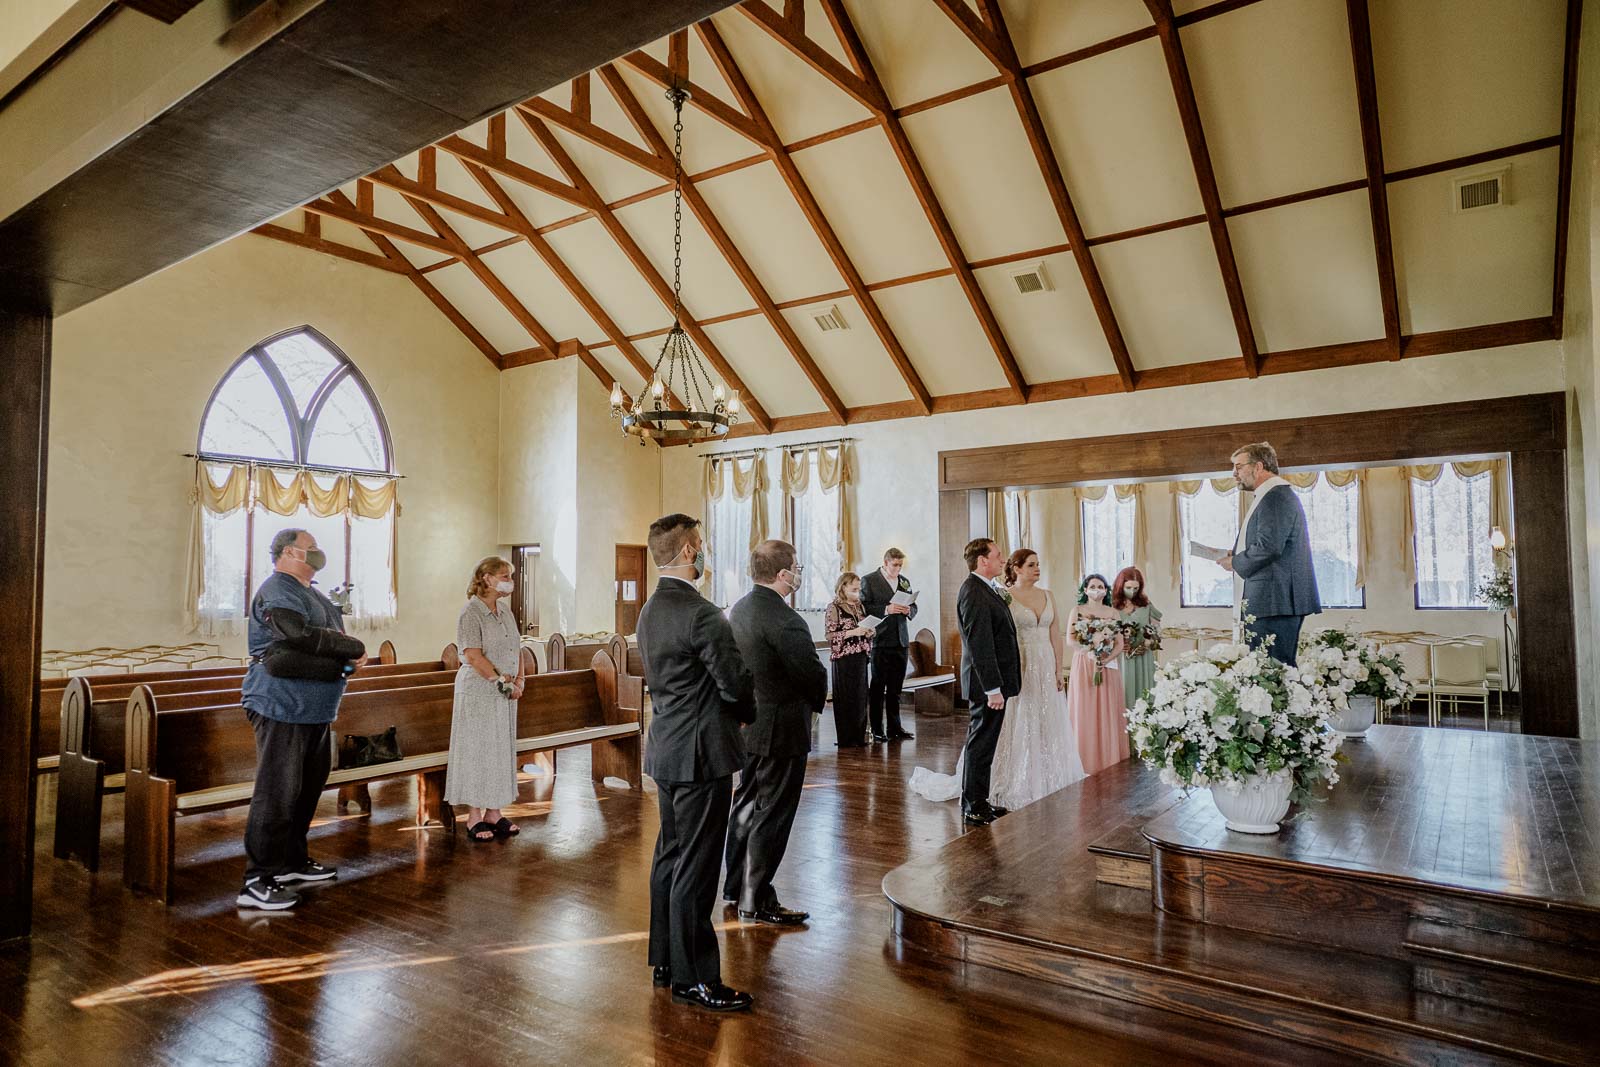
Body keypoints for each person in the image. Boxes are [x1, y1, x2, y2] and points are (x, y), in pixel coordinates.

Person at [637, 514, 756, 1013]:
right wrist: (746, 711)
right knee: (698, 865)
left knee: (670, 854)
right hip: (702, 754)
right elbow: (733, 681)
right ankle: (695, 978)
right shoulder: (702, 614)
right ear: (687, 552)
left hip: (666, 748)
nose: (704, 552)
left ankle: (665, 961)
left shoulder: (649, 611)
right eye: (701, 545)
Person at [237, 528, 366, 911]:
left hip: (316, 710)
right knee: (277, 792)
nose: (318, 554)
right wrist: (350, 650)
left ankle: (291, 861)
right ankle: (257, 879)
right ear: (290, 552)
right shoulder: (278, 589)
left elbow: (328, 639)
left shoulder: (312, 593)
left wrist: (345, 658)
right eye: (312, 548)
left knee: (306, 789)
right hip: (282, 706)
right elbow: (294, 635)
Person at [911, 549, 1084, 810]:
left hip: (1043, 664)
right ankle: (987, 794)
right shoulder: (995, 594)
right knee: (1000, 729)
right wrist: (994, 685)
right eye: (1031, 565)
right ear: (1015, 568)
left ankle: (1041, 779)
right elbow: (983, 640)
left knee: (1041, 719)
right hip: (1012, 666)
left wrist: (1058, 669)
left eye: (1038, 564)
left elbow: (1053, 634)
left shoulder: (1027, 594)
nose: (1037, 569)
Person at [724, 540, 829, 926]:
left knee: (746, 805)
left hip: (749, 724)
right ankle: (757, 897)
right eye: (797, 567)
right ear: (783, 574)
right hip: (782, 726)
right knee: (774, 813)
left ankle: (735, 886)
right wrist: (818, 703)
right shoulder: (785, 618)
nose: (799, 572)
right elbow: (811, 672)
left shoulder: (740, 609)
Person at [445, 556, 526, 843]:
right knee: (478, 750)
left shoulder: (504, 612)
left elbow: (517, 648)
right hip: (479, 690)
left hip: (504, 691)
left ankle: (495, 811)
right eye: (504, 575)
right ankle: (474, 815)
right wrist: (500, 682)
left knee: (499, 750)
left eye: (509, 575)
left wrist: (519, 680)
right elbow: (472, 654)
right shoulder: (471, 612)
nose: (509, 580)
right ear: (487, 578)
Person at [1220, 442, 1321, 665]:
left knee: (1272, 674)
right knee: (1266, 673)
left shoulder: (1275, 496)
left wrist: (1236, 562)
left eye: (1238, 467)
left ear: (1258, 466)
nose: (1234, 474)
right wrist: (1236, 553)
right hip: (1271, 601)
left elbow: (1269, 547)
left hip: (1274, 602)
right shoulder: (1270, 496)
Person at [955, 538, 1021, 827]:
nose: (1002, 559)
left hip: (992, 684)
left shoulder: (986, 589)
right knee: (980, 744)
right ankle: (973, 804)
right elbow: (980, 644)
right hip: (986, 686)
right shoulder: (973, 591)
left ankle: (979, 799)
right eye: (997, 555)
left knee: (986, 744)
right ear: (983, 561)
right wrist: (993, 688)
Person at [1066, 574, 1129, 776]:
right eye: (1092, 586)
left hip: (1107, 664)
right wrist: (1090, 652)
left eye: (1100, 586)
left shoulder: (1113, 613)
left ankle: (1109, 758)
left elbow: (1119, 643)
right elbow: (1071, 639)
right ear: (1085, 590)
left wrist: (1105, 658)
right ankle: (1084, 759)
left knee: (1108, 708)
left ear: (1106, 590)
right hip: (1084, 663)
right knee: (1084, 707)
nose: (1096, 589)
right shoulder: (1077, 611)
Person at [860, 547, 918, 742]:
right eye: (895, 565)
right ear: (885, 563)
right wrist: (887, 608)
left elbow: (914, 605)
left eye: (900, 565)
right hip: (881, 640)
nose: (898, 569)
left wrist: (908, 610)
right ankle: (877, 729)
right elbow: (864, 608)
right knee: (878, 687)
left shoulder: (904, 581)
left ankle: (895, 727)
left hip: (901, 640)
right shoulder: (869, 580)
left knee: (895, 688)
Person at [824, 573, 875, 748]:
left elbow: (865, 626)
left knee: (860, 697)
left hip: (860, 656)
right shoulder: (834, 608)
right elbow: (830, 635)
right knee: (845, 698)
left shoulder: (859, 606)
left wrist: (869, 632)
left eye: (858, 589)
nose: (857, 593)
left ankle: (860, 737)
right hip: (843, 658)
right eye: (854, 589)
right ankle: (846, 738)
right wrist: (853, 632)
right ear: (843, 587)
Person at [1113, 566, 1162, 712]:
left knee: (1144, 696)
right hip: (1120, 657)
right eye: (1128, 587)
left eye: (1136, 588)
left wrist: (1148, 643)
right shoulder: (1111, 606)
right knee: (1122, 695)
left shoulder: (1146, 605)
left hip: (1143, 658)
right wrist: (1118, 645)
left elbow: (1157, 631)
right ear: (1120, 586)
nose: (1132, 592)